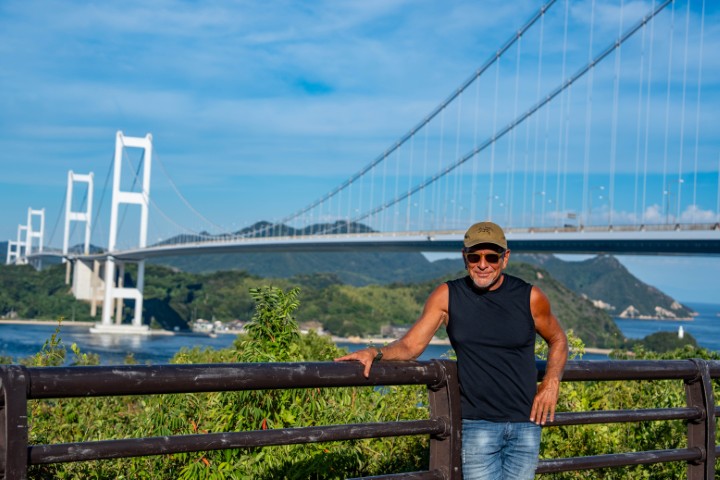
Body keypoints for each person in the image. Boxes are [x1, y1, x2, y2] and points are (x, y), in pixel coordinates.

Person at [335, 221, 568, 479]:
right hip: (478, 425)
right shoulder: (447, 295)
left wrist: (551, 382)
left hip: (527, 423)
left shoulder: (531, 297)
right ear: (464, 257)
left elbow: (558, 340)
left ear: (505, 258)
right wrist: (374, 353)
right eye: (474, 257)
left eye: (491, 257)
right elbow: (410, 346)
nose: (482, 264)